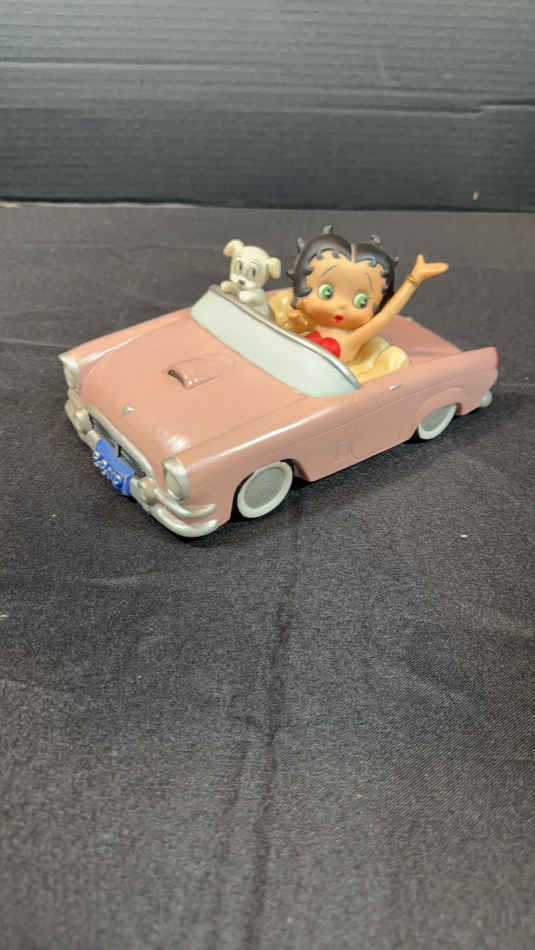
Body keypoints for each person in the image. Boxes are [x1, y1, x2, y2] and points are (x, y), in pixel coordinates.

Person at [272, 226, 448, 367]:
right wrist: (296, 322)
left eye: (361, 301)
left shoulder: (351, 340)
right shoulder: (310, 323)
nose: (341, 305)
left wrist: (413, 280)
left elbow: (386, 316)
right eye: (327, 292)